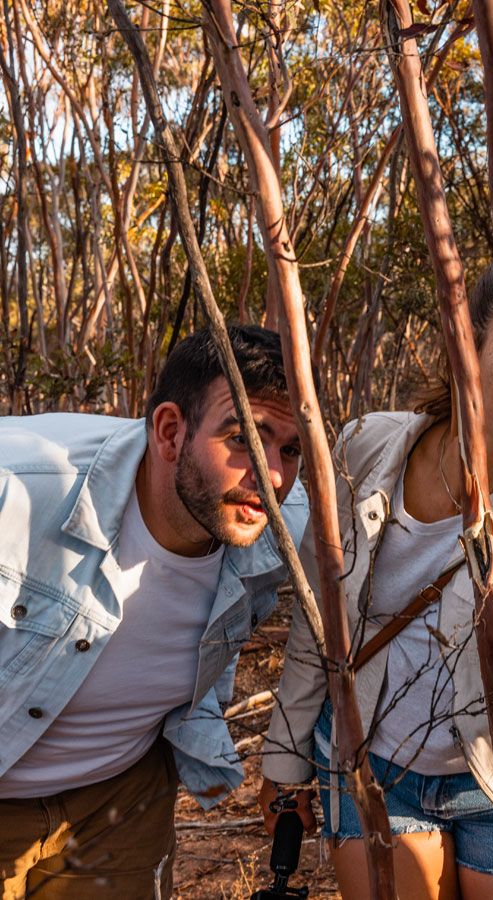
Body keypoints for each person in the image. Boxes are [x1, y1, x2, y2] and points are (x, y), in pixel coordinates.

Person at [258, 245, 493, 900]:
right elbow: (321, 618)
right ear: (466, 344)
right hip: (371, 760)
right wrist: (286, 763)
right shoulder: (366, 449)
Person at [0, 325, 309, 899]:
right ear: (170, 431)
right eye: (243, 437)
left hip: (121, 796)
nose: (272, 478)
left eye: (290, 449)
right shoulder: (19, 487)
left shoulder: (284, 528)